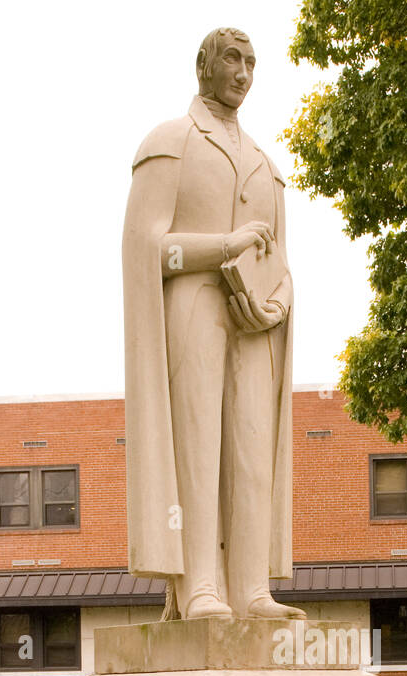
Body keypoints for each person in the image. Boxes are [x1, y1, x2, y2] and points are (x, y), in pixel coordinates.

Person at [123, 26, 305, 621]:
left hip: (252, 323)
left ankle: (252, 588)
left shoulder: (266, 165)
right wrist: (222, 246)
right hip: (193, 305)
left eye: (252, 62)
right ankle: (200, 584)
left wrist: (276, 303)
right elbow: (147, 250)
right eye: (232, 58)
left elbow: (280, 262)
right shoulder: (169, 142)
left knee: (253, 447)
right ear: (202, 65)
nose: (244, 72)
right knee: (198, 445)